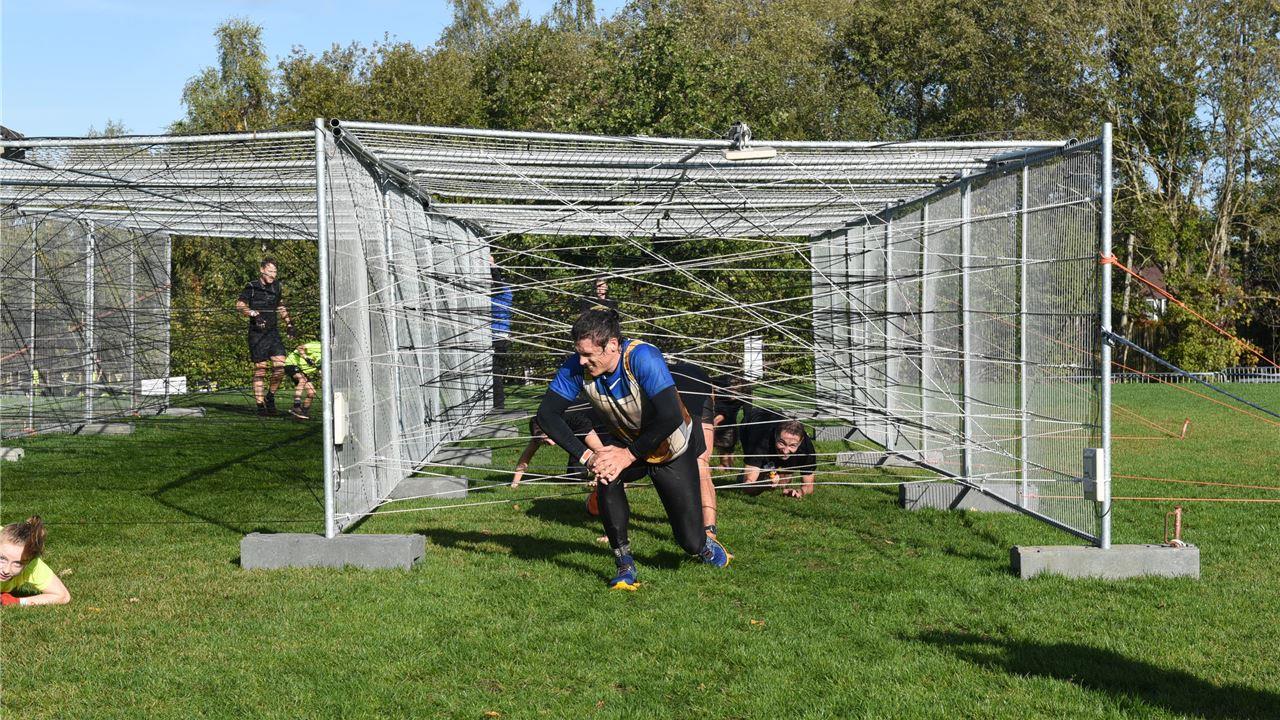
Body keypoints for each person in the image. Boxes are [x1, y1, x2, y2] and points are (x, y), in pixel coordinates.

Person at [537, 309, 731, 591]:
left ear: (612, 345)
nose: (581, 361)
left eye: (588, 354)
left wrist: (626, 455)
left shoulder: (642, 357)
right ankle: (624, 563)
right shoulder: (577, 368)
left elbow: (670, 416)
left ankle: (703, 546)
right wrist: (589, 457)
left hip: (670, 449)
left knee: (689, 541)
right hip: (628, 445)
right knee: (606, 471)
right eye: (579, 353)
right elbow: (547, 415)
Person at [235, 258, 293, 416]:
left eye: (275, 272)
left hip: (273, 333)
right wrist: (252, 313)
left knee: (280, 366)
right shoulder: (252, 286)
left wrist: (289, 324)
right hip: (257, 334)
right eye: (270, 271)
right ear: (262, 270)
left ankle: (270, 396)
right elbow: (240, 305)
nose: (273, 275)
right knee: (261, 370)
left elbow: (280, 305)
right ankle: (260, 405)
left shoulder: (277, 286)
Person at [668, 359, 719, 538]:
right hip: (693, 383)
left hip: (695, 387)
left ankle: (709, 530)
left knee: (701, 463)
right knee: (701, 464)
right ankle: (709, 529)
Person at [512, 406, 607, 489]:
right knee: (575, 478)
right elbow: (526, 456)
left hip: (599, 423)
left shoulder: (576, 420)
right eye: (545, 442)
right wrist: (515, 483)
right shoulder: (539, 429)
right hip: (574, 433)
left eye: (550, 438)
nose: (551, 444)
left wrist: (596, 479)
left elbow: (600, 451)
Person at [739, 405, 817, 498]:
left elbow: (809, 487)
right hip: (751, 422)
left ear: (800, 442)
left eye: (792, 445)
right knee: (760, 476)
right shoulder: (761, 443)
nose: (785, 451)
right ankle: (751, 472)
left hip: (771, 422)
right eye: (782, 443)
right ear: (775, 436)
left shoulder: (806, 449)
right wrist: (764, 483)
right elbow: (747, 487)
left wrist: (798, 492)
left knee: (783, 483)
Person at [0, 516, 71, 607]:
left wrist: (17, 601)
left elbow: (62, 596)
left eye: (18, 563)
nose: (6, 570)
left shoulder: (32, 565)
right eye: (2, 558)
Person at [711, 375, 747, 469]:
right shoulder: (722, 390)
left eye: (736, 391)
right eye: (731, 390)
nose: (733, 394)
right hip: (723, 422)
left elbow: (727, 413)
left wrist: (715, 422)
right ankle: (726, 465)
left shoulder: (738, 400)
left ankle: (726, 465)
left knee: (726, 446)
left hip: (727, 425)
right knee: (722, 446)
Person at [491, 265, 513, 410]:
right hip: (499, 336)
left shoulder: (502, 292)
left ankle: (498, 404)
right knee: (495, 370)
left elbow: (497, 280)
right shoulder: (503, 292)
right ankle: (497, 403)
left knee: (495, 370)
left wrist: (492, 266)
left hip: (498, 337)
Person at [283, 340, 321, 420]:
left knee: (311, 392)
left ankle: (303, 413)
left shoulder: (331, 356)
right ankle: (296, 406)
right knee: (302, 379)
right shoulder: (318, 346)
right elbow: (299, 347)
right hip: (292, 364)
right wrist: (306, 358)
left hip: (302, 371)